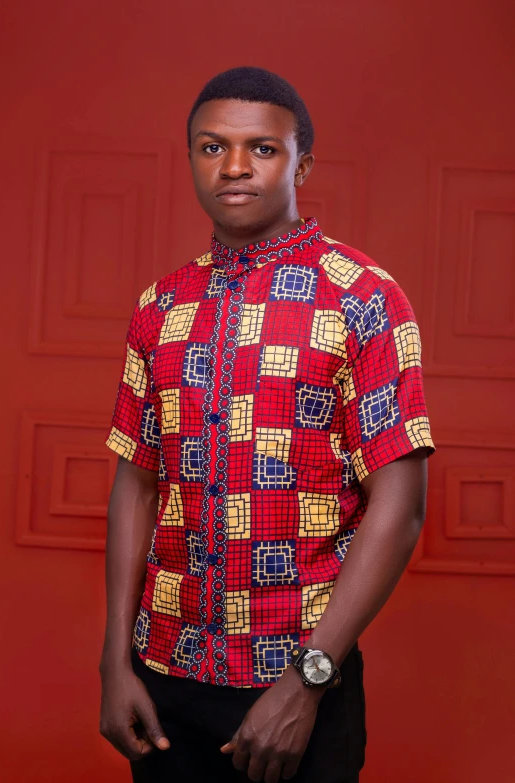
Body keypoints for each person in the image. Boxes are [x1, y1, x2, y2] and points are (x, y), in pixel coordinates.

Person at [99, 66, 435, 783]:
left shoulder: (366, 299)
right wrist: (113, 660)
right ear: (191, 157)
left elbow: (400, 509)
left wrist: (306, 682)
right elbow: (135, 484)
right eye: (212, 146)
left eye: (264, 148)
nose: (236, 166)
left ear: (302, 163)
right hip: (165, 677)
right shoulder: (158, 308)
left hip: (300, 681)